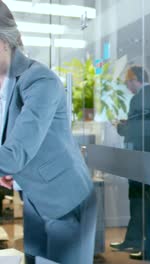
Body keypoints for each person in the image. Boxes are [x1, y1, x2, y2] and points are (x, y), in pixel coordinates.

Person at [0, 2, 97, 263]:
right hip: (34, 195)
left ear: (3, 42)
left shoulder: (39, 80)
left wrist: (8, 164)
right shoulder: (3, 83)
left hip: (66, 199)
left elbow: (13, 155)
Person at [110, 66, 150, 261]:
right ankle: (133, 239)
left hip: (140, 158)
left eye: (128, 82)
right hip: (147, 157)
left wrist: (120, 127)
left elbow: (135, 131)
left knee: (143, 202)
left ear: (135, 80)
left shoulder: (140, 98)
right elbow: (145, 125)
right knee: (137, 199)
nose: (127, 87)